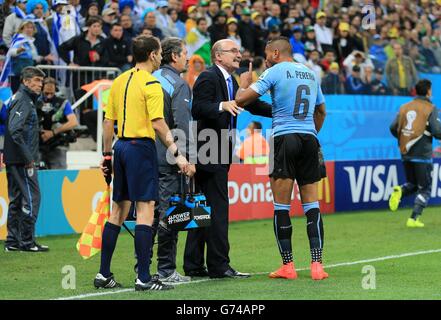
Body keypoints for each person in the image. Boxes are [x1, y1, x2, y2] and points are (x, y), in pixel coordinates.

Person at [94, 35, 194, 291]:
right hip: (141, 148)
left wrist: (107, 156)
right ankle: (144, 278)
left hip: (121, 147)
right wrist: (177, 153)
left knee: (117, 211)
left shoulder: (119, 80)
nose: (161, 56)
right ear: (152, 55)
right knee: (146, 209)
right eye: (159, 52)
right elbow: (158, 124)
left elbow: (108, 122)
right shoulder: (151, 84)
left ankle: (103, 274)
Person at [236, 36, 328, 281]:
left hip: (284, 139)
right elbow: (321, 111)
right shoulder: (310, 73)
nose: (265, 60)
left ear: (276, 53)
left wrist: (244, 84)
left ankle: (288, 266)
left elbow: (242, 100)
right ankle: (317, 265)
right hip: (309, 139)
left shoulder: (275, 72)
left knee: (281, 205)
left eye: (267, 54)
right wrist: (310, 132)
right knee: (312, 205)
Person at [185, 39, 272, 279]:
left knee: (203, 208)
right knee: (218, 209)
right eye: (232, 51)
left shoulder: (229, 80)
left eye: (238, 50)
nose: (238, 54)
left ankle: (193, 264)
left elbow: (250, 105)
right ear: (217, 56)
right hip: (210, 149)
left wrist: (280, 111)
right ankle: (219, 266)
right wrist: (224, 105)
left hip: (216, 150)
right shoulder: (208, 77)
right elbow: (198, 109)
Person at [151, 37, 194, 284]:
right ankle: (166, 270)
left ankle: (143, 268)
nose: (187, 57)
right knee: (170, 214)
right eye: (185, 53)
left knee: (147, 213)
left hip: (143, 156)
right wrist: (185, 158)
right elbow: (181, 127)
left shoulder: (148, 79)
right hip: (168, 159)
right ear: (174, 56)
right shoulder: (178, 84)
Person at [3, 66, 49, 252]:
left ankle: (13, 242)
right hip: (22, 160)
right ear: (26, 81)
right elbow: (15, 130)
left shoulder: (18, 98)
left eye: (41, 81)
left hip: (12, 158)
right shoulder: (24, 100)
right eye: (37, 81)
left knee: (16, 199)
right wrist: (28, 157)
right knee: (31, 198)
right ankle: (27, 242)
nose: (40, 85)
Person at [389, 79, 441, 227]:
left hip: (406, 152)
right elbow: (437, 131)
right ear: (429, 91)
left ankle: (400, 190)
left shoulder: (405, 107)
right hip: (422, 154)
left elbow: (393, 127)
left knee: (412, 184)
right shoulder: (431, 108)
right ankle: (414, 218)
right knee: (425, 187)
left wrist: (404, 138)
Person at [37, 77, 78, 169]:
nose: (49, 96)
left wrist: (53, 132)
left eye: (52, 93)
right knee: (37, 177)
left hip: (57, 143)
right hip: (38, 144)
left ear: (56, 90)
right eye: (46, 93)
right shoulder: (35, 102)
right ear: (42, 89)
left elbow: (73, 122)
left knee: (59, 177)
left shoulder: (63, 102)